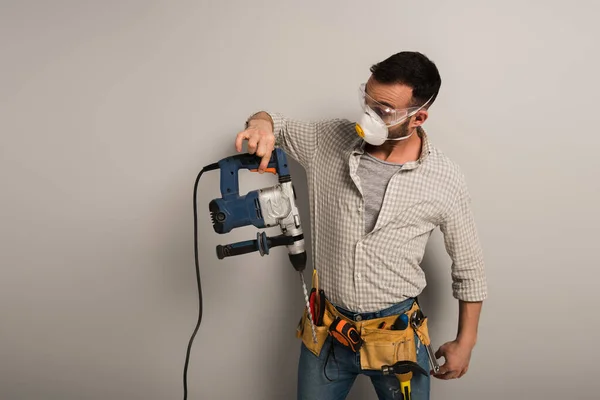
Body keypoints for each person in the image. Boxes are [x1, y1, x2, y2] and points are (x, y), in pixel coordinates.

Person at [235, 51, 487, 400]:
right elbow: (272, 120)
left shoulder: (444, 178)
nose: (369, 115)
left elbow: (469, 266)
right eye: (367, 101)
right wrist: (261, 125)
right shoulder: (328, 140)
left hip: (396, 337)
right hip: (326, 331)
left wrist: (466, 342)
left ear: (419, 117)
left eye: (383, 110)